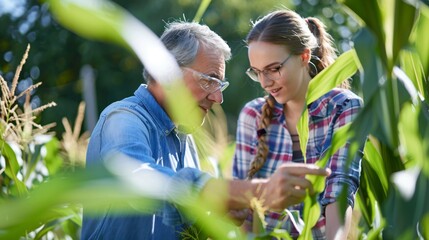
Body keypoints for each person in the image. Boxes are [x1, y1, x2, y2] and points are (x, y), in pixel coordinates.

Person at [81, 21, 330, 240]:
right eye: (209, 80)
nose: (218, 97)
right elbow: (138, 179)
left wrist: (213, 220)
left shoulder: (184, 140)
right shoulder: (124, 118)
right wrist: (259, 191)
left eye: (220, 84)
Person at [233, 10, 364, 239]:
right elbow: (242, 208)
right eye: (257, 72)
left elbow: (339, 192)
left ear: (304, 56)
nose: (265, 82)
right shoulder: (252, 115)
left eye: (274, 69)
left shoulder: (343, 108)